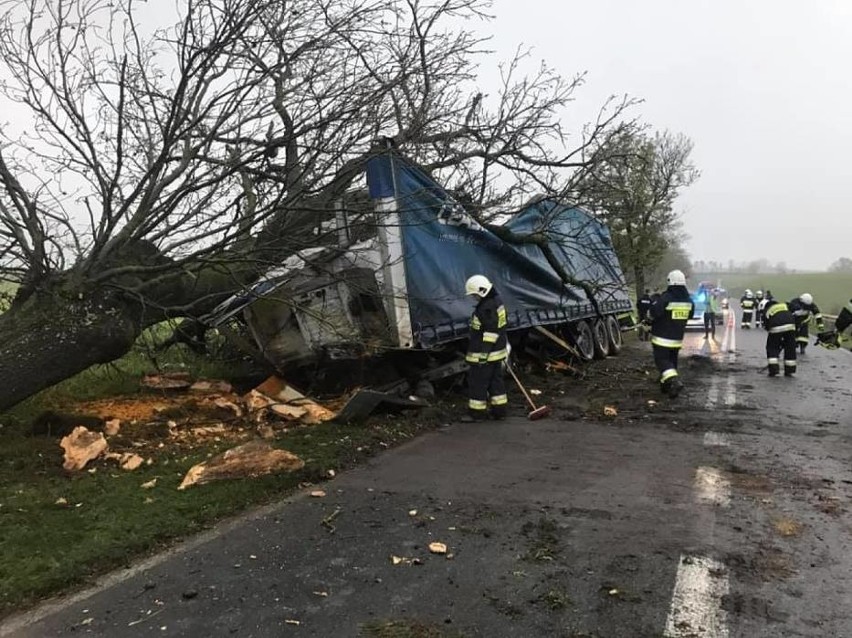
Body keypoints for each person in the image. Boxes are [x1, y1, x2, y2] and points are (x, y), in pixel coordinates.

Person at [462, 274, 509, 422]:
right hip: (496, 353)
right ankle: (499, 411)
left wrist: (483, 354)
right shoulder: (496, 301)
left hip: (485, 355)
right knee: (496, 383)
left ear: (481, 291)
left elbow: (490, 332)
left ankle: (476, 414)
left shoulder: (486, 308)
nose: (474, 298)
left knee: (478, 383)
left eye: (474, 295)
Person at [647, 269, 694, 397]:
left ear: (670, 282)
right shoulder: (688, 300)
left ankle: (674, 381)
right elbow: (690, 315)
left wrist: (654, 302)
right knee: (672, 362)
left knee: (662, 361)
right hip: (677, 338)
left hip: (662, 337)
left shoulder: (666, 298)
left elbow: (654, 313)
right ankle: (667, 386)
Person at [762, 297, 797, 377]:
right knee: (790, 348)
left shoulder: (767, 310)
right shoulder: (784, 305)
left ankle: (774, 370)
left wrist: (776, 339)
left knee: (772, 347)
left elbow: (766, 325)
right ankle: (790, 370)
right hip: (790, 326)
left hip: (775, 327)